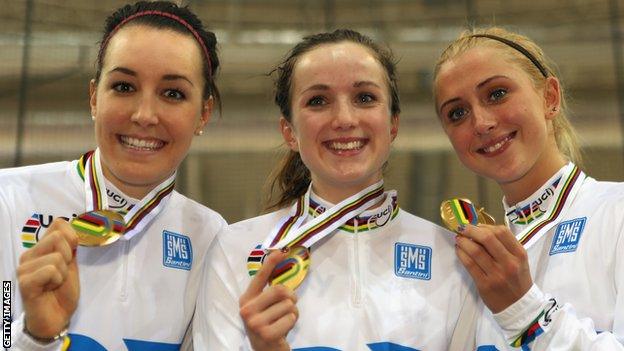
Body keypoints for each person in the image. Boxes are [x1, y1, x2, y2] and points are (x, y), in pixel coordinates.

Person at [193, 29, 474, 350]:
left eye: (365, 98)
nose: (344, 118)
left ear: (393, 123)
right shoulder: (235, 248)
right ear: (289, 132)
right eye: (318, 101)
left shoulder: (453, 255)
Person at [1, 1, 226, 350]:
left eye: (173, 93)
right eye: (124, 87)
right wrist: (36, 335)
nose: (144, 115)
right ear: (94, 97)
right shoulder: (9, 199)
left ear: (203, 115)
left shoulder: (212, 237)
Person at [433, 27, 624, 350]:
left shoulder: (616, 211)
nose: (481, 123)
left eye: (496, 94)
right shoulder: (470, 265)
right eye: (457, 113)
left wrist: (525, 311)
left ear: (550, 97)